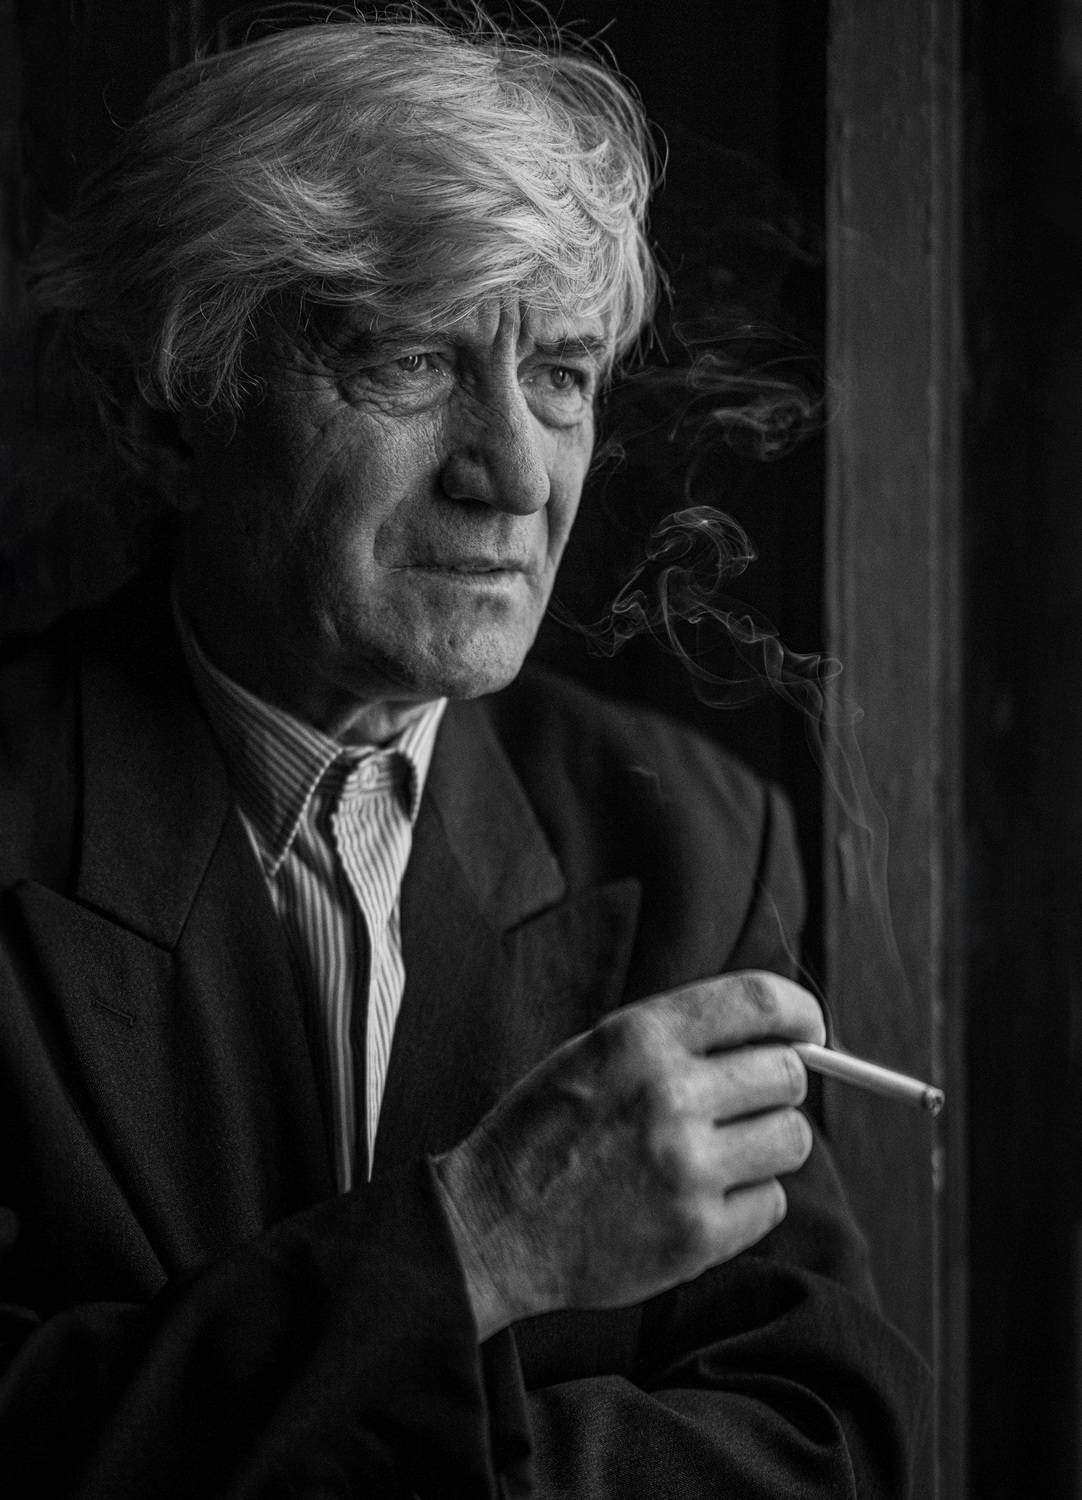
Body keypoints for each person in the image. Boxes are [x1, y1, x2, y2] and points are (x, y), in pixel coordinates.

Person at [0, 11, 928, 1497]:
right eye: (410, 359)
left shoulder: (690, 841)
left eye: (559, 373)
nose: (511, 473)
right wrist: (479, 1244)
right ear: (162, 415)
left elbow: (824, 1440)